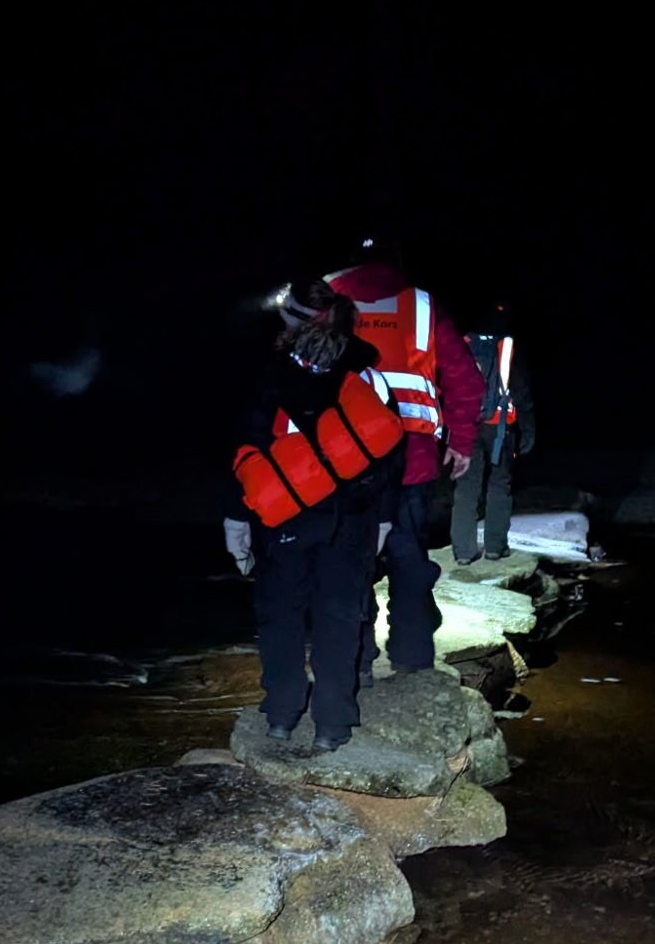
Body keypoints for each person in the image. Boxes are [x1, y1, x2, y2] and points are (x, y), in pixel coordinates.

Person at [223, 278, 405, 751]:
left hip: (285, 517)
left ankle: (282, 714)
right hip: (352, 516)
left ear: (292, 322)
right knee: (340, 615)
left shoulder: (271, 372)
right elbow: (389, 451)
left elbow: (247, 448)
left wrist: (235, 517)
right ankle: (333, 724)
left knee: (280, 614)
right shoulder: (366, 374)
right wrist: (384, 518)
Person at [327, 235, 482, 674]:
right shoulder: (423, 305)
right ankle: (412, 660)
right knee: (408, 558)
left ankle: (355, 663)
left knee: (350, 558)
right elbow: (465, 379)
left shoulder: (327, 299)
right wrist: (461, 441)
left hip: (345, 460)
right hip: (412, 458)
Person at [450, 303, 536, 563]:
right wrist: (528, 429)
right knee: (499, 485)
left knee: (466, 487)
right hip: (500, 427)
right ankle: (496, 547)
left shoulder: (462, 343)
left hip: (466, 426)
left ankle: (463, 552)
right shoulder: (509, 346)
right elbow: (521, 390)